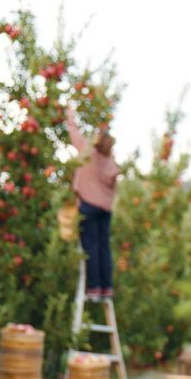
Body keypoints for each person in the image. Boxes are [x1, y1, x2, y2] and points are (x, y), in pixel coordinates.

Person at [66, 106, 120, 301]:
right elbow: (114, 183)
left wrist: (70, 115)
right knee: (104, 247)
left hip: (88, 206)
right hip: (105, 210)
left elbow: (74, 133)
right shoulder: (110, 161)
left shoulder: (88, 150)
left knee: (91, 246)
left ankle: (94, 287)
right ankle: (106, 287)